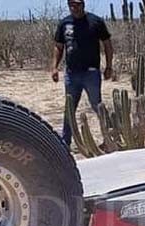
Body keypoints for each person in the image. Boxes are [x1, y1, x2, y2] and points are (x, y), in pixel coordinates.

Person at [51, 0, 114, 147]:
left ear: (83, 4)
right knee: (69, 108)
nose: (74, 7)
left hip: (91, 73)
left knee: (97, 105)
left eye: (77, 4)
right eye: (71, 5)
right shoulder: (64, 23)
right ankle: (65, 142)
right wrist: (54, 67)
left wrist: (109, 66)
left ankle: (110, 137)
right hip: (71, 74)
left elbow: (107, 45)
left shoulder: (95, 22)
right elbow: (59, 47)